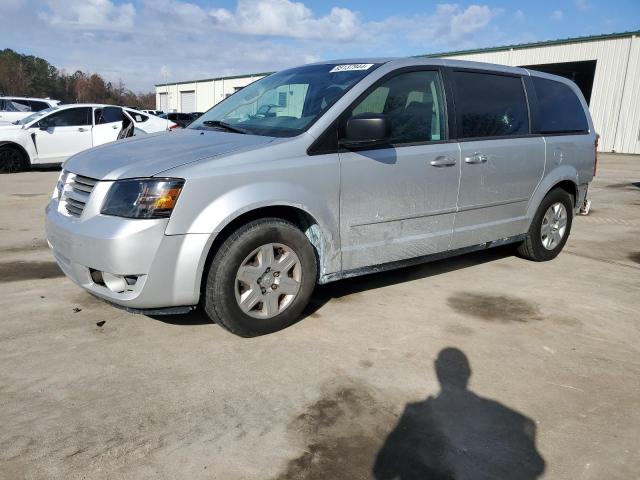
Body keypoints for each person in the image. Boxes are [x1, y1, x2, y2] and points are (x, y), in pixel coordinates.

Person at [373, 348, 545, 480]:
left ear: (437, 370)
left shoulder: (416, 413)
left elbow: (381, 470)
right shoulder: (495, 411)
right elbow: (535, 459)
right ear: (469, 373)